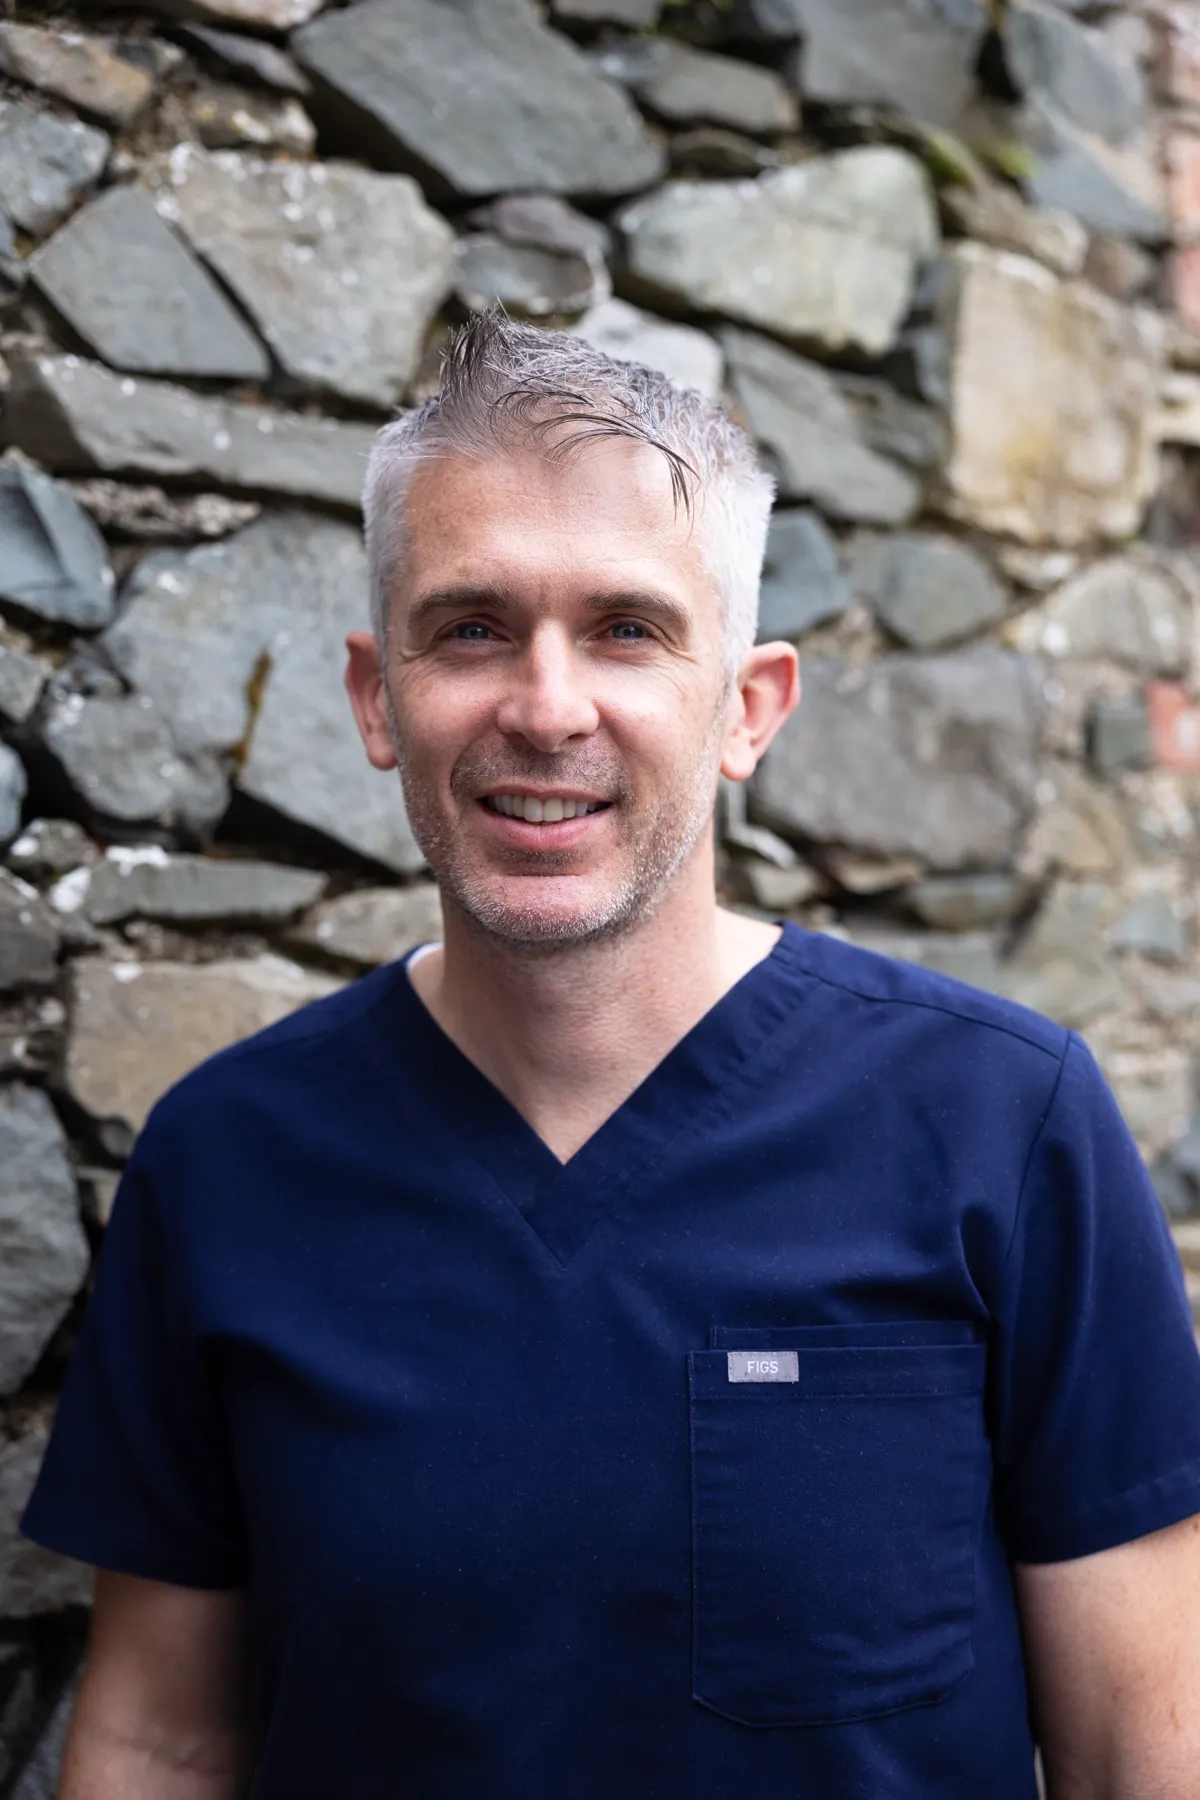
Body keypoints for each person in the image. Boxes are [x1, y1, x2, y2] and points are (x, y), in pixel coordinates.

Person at [20, 310, 1200, 1800]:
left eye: (630, 630)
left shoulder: (1004, 1127)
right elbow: (162, 1742)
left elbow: (1141, 1757)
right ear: (377, 699)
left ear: (747, 708)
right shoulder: (227, 1162)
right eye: (472, 628)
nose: (548, 706)